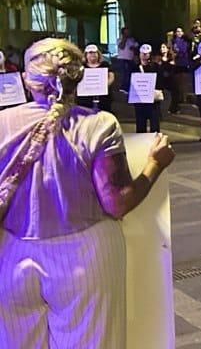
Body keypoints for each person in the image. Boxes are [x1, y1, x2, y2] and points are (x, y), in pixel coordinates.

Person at [0, 38, 175, 348]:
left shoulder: (2, 123)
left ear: (27, 79)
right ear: (77, 77)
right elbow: (117, 202)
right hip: (85, 257)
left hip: (12, 257)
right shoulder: (98, 125)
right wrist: (154, 166)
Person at [131, 44, 162, 134]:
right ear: (139, 54)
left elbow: (160, 82)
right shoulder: (134, 67)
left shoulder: (156, 67)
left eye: (147, 53)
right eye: (143, 53)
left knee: (155, 124)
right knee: (140, 125)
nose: (144, 55)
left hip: (153, 101)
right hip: (139, 101)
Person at [75, 44, 114, 115]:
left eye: (95, 52)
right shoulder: (82, 66)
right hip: (85, 99)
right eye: (90, 53)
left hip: (103, 98)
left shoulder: (105, 65)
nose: (93, 55)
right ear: (86, 55)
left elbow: (111, 76)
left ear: (98, 54)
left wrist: (105, 86)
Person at [169, 27, 190, 114]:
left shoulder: (184, 41)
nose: (179, 33)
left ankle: (183, 97)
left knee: (183, 81)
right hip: (176, 63)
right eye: (177, 31)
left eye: (180, 31)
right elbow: (170, 49)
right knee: (177, 82)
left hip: (183, 63)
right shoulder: (173, 41)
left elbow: (182, 50)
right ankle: (179, 98)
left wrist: (176, 52)